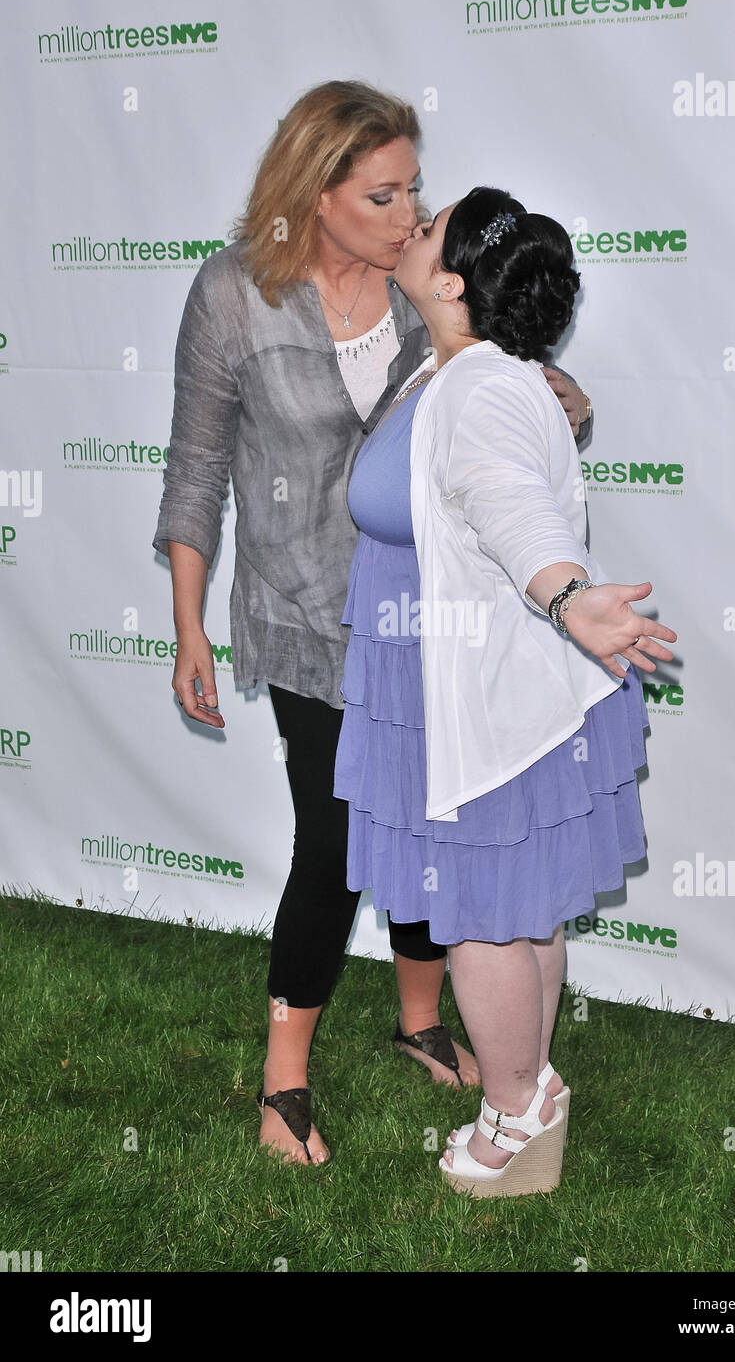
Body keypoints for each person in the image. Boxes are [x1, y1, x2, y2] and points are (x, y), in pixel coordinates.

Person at [152, 83, 591, 1168]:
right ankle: (284, 1072)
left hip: (430, 616)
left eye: (414, 194)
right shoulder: (231, 297)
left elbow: (497, 384)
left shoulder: (419, 290)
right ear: (314, 191)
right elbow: (197, 468)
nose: (407, 217)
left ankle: (419, 1015)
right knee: (339, 837)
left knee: (434, 826)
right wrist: (188, 628)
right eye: (381, 194)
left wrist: (551, 396)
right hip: (304, 618)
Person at [333, 187, 677, 1197]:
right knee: (519, 905)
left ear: (449, 283)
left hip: (477, 685)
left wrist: (566, 597)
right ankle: (530, 1091)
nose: (414, 218)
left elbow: (506, 505)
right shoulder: (473, 368)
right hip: (475, 677)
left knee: (482, 913)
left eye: (429, 223)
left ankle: (513, 1115)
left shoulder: (478, 389)